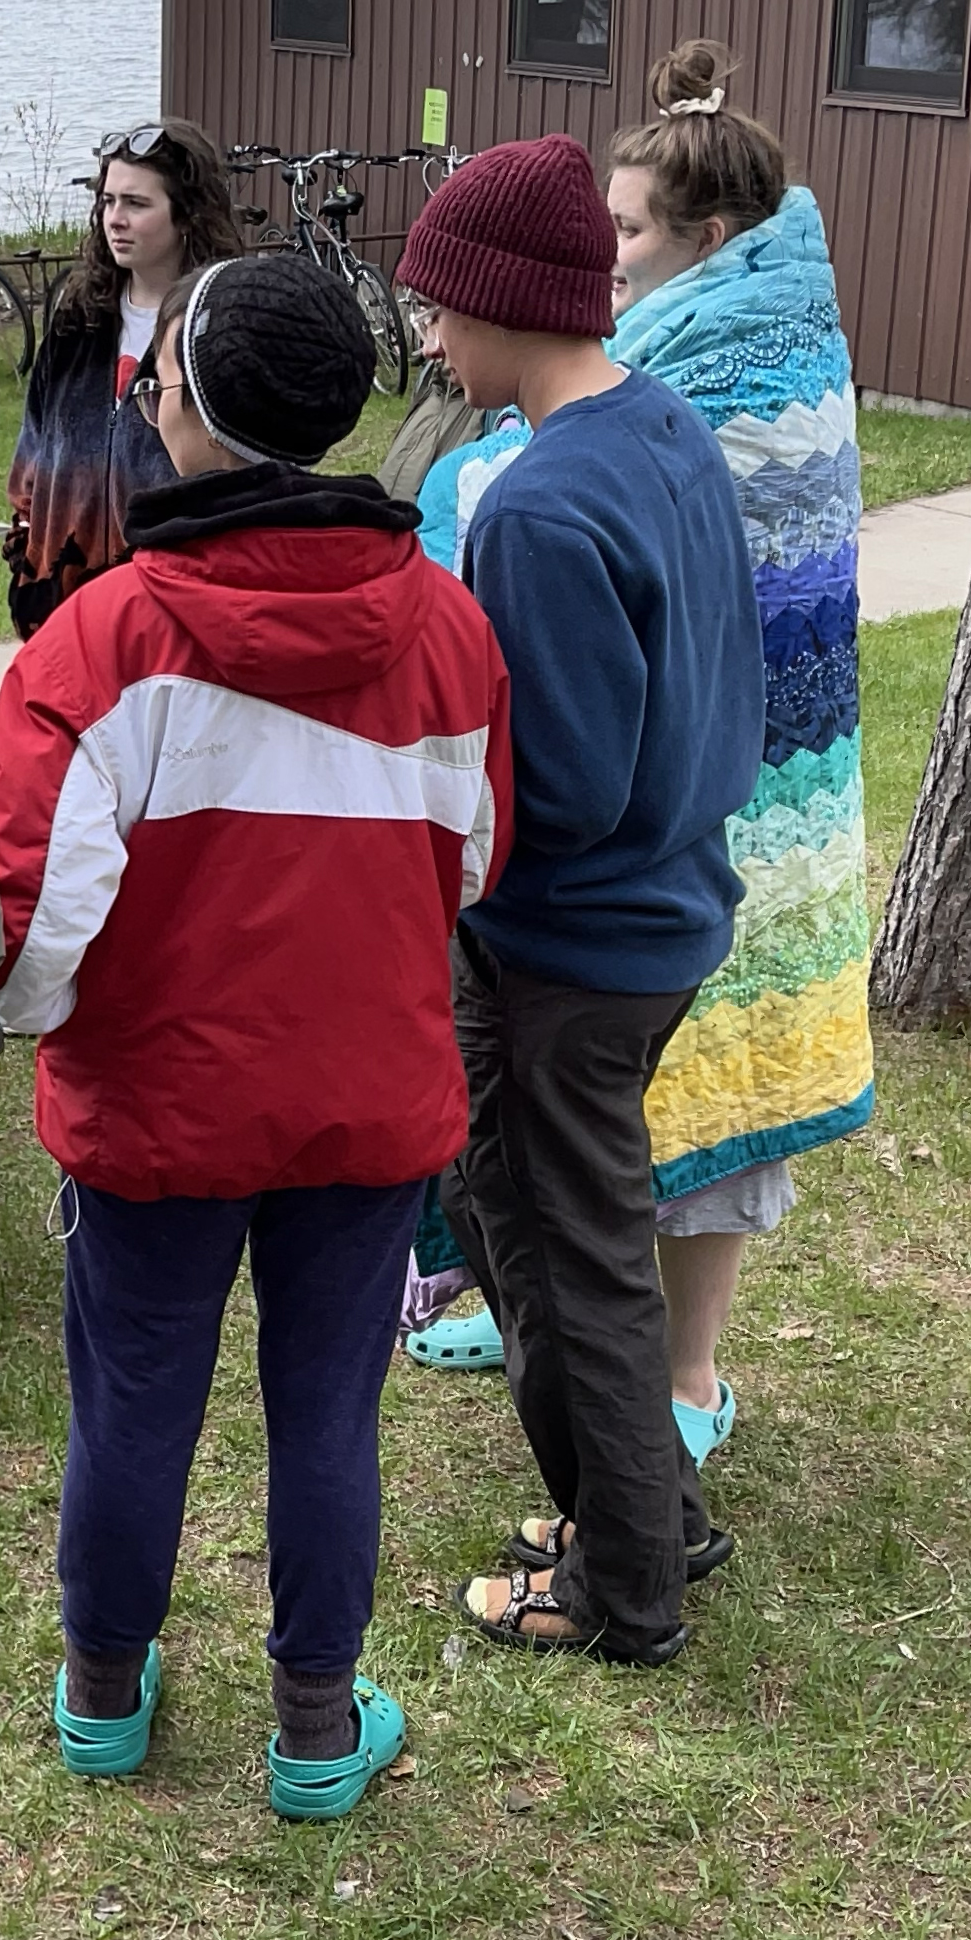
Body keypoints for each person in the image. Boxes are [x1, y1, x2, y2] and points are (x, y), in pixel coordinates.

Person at [0, 253, 498, 1823]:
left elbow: (24, 915)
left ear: (181, 403)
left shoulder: (98, 642)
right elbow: (474, 858)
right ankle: (315, 1718)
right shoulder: (448, 631)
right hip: (363, 1103)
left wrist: (53, 1034)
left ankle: (102, 1690)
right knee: (328, 1406)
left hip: (158, 1112)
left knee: (132, 1396)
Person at [400, 50, 876, 1465]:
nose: (598, 258)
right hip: (668, 809)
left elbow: (576, 749)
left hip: (668, 826)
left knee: (624, 1165)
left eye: (622, 233)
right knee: (572, 1178)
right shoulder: (646, 398)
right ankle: (586, 1388)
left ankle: (664, 1418)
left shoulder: (706, 389)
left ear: (707, 240)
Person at [400, 136, 761, 1667]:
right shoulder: (664, 427)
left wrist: (431, 862)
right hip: (661, 917)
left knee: (568, 1258)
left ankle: (624, 1584)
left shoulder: (535, 509)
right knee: (526, 1225)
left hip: (566, 945)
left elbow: (555, 786)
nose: (424, 335)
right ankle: (643, 1513)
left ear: (498, 300)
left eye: (435, 304)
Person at [2, 122, 252, 637]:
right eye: (108, 201)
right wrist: (28, 554)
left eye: (136, 204)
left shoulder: (218, 329)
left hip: (170, 622)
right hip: (62, 613)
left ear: (186, 215)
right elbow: (33, 455)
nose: (115, 219)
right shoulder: (79, 322)